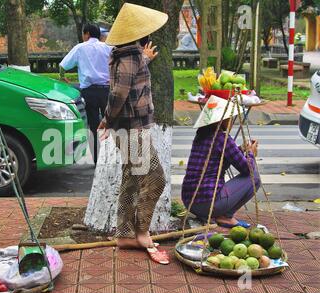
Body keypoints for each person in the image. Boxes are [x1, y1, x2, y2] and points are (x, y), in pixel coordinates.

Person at [97, 3, 170, 264]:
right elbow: (118, 94)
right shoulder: (129, 57)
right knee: (156, 179)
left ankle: (125, 234)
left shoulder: (127, 55)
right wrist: (106, 119)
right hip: (132, 131)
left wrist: (145, 60)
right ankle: (141, 232)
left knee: (130, 179)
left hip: (127, 130)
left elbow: (126, 80)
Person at [181, 96, 262, 228]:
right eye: (229, 118)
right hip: (208, 203)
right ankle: (226, 216)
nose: (231, 121)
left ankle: (220, 215)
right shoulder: (221, 138)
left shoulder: (201, 135)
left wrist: (241, 149)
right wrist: (251, 153)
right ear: (222, 119)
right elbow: (248, 169)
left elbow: (222, 158)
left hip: (190, 202)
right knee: (255, 178)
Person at [59, 23, 111, 164]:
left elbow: (63, 66)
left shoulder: (80, 48)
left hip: (89, 92)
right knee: (110, 123)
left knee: (93, 126)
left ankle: (96, 160)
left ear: (86, 33)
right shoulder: (108, 47)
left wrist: (62, 76)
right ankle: (111, 157)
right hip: (107, 90)